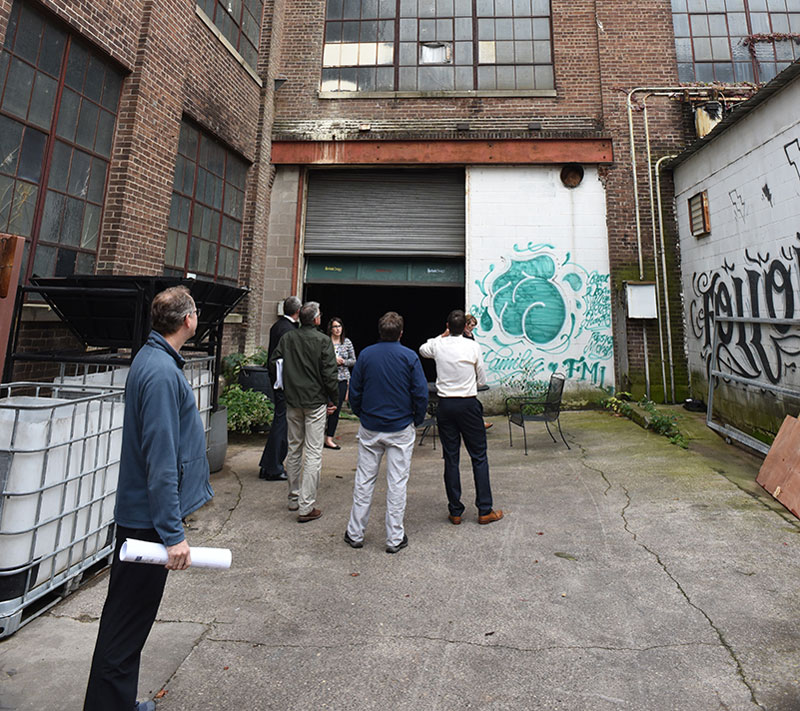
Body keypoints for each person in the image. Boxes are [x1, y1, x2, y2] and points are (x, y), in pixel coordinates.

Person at [84, 286, 213, 711]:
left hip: (143, 517)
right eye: (195, 312)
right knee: (125, 625)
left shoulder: (154, 358)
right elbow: (161, 460)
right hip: (147, 524)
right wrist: (173, 534)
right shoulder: (160, 372)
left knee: (128, 622)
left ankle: (116, 702)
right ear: (188, 320)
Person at [344, 312, 428, 554]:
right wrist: (416, 419)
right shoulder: (409, 357)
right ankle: (394, 537)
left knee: (364, 481)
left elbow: (355, 390)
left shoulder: (366, 355)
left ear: (379, 331)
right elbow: (420, 393)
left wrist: (361, 413)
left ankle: (355, 533)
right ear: (401, 333)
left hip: (371, 427)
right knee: (397, 483)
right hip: (400, 428)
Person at [419, 309, 503, 526]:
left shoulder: (438, 344)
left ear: (448, 326)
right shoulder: (473, 346)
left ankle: (455, 510)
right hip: (468, 403)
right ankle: (485, 509)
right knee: (479, 456)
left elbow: (422, 349)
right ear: (465, 327)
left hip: (446, 405)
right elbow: (482, 378)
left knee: (451, 458)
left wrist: (442, 335)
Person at [270, 301, 338, 522]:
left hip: (292, 400)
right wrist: (333, 399)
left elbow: (274, 362)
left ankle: (293, 498)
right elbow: (329, 373)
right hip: (315, 401)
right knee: (313, 452)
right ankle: (306, 506)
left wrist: (283, 385)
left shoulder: (288, 338)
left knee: (294, 448)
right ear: (317, 319)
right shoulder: (322, 340)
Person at [258, 296, 301, 480]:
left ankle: (268, 465)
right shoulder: (288, 330)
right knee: (282, 424)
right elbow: (285, 360)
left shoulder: (278, 326)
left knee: (280, 422)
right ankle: (274, 467)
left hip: (277, 380)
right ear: (297, 311)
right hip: (282, 382)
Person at [324, 316, 356, 450]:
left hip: (342, 378)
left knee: (336, 409)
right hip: (326, 379)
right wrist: (332, 360)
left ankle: (329, 438)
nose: (337, 329)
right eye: (334, 327)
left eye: (339, 326)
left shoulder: (347, 342)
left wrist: (343, 361)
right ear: (330, 329)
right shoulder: (325, 342)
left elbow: (353, 360)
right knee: (323, 408)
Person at [464, 313, 493, 431]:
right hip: (466, 371)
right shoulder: (462, 337)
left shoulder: (470, 335)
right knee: (471, 401)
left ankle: (477, 422)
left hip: (471, 370)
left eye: (473, 326)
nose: (472, 328)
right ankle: (478, 422)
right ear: (465, 324)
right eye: (471, 325)